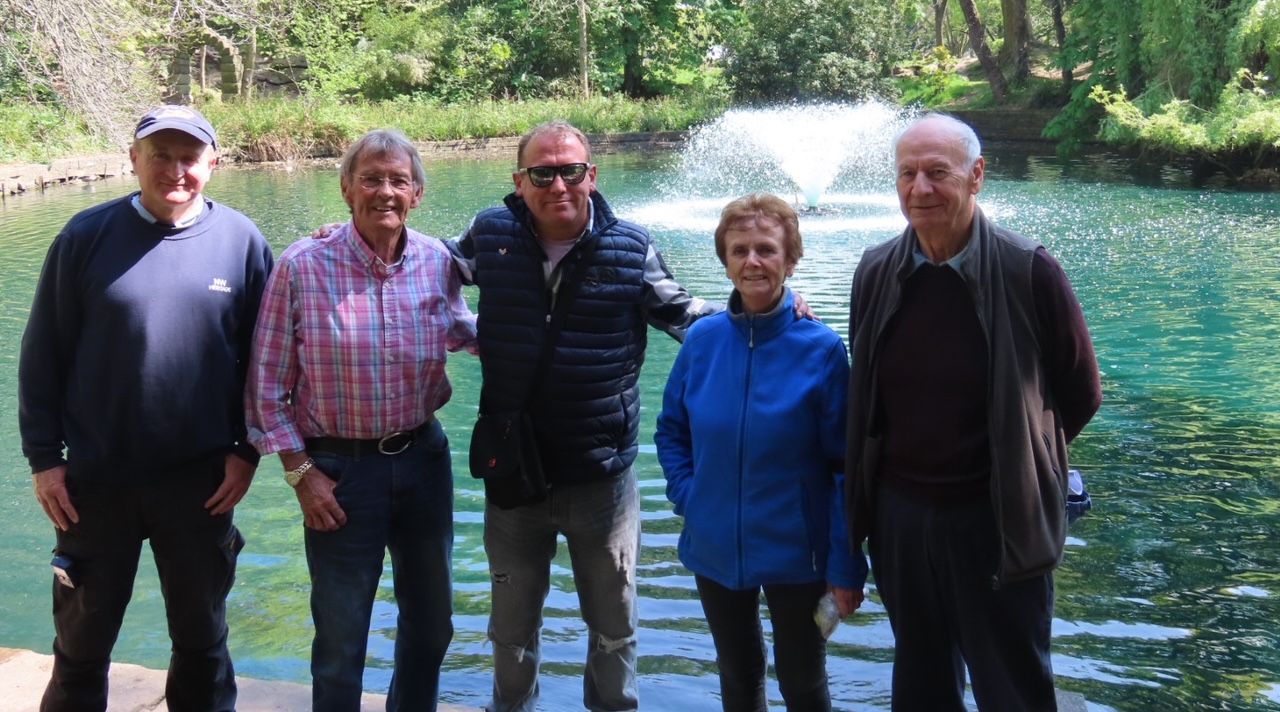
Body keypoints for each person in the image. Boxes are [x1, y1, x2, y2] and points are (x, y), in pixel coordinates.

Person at [448, 120, 718, 712]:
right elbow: (421, 267)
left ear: (591, 176)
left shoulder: (630, 247)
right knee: (511, 630)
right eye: (541, 173)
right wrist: (354, 240)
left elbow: (686, 317)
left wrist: (765, 309)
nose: (558, 185)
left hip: (602, 477)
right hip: (513, 474)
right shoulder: (488, 236)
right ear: (519, 182)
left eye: (570, 170)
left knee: (614, 627)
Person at [843, 113, 1102, 711]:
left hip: (997, 519)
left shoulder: (1027, 269)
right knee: (922, 684)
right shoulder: (876, 270)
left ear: (976, 176)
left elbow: (1081, 390)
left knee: (1012, 687)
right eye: (907, 174)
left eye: (938, 172)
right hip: (902, 519)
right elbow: (869, 387)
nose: (920, 189)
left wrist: (1026, 463)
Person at [18, 105, 273, 711]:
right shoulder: (84, 237)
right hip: (94, 482)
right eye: (161, 154)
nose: (176, 170)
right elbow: (42, 354)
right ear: (134, 159)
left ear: (213, 163)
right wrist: (43, 460)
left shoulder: (242, 242)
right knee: (80, 647)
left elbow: (264, 364)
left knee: (202, 642)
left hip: (202, 482)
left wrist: (247, 450)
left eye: (190, 157)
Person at [244, 129, 476, 712]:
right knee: (343, 634)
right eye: (371, 178)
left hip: (424, 461)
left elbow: (464, 333)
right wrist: (302, 475)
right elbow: (265, 388)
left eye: (398, 180)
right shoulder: (301, 266)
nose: (385, 192)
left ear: (418, 192)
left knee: (431, 625)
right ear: (347, 188)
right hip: (339, 474)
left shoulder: (436, 261)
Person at [654, 194, 867, 712]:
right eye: (740, 250)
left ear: (790, 260)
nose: (753, 262)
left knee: (802, 678)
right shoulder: (701, 341)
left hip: (799, 550)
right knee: (739, 671)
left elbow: (844, 467)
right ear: (724, 259)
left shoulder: (820, 349)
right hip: (714, 544)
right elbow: (671, 432)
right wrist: (691, 496)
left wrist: (846, 565)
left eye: (767, 250)